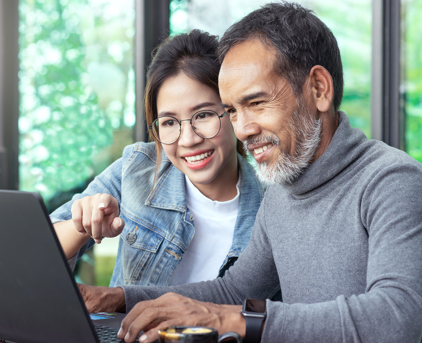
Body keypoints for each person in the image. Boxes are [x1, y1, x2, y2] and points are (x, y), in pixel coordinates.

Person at [78, 3, 422, 342]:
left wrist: (232, 320)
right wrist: (119, 297)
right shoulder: (282, 194)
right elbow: (235, 290)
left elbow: (397, 317)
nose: (242, 129)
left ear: (318, 89)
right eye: (232, 111)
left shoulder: (392, 181)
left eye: (256, 103)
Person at [50, 29, 265, 287]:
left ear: (232, 111)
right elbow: (39, 252)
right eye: (170, 122)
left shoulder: (270, 208)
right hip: (128, 329)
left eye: (203, 115)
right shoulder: (138, 168)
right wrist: (82, 225)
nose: (188, 139)